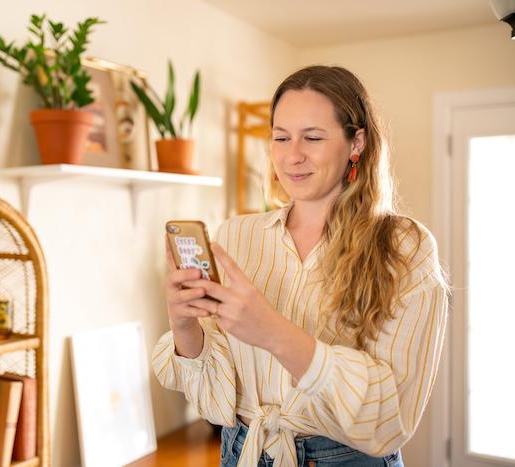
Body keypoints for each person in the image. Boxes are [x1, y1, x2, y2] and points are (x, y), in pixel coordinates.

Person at [152, 65, 449, 467]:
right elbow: (211, 396)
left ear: (356, 142)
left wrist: (272, 332)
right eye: (280, 137)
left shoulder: (404, 247)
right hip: (242, 451)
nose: (292, 156)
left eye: (312, 137)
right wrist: (183, 323)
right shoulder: (237, 236)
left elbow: (388, 418)